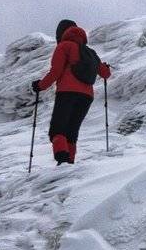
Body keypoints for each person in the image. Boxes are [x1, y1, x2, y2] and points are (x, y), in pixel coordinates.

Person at [31, 19, 112, 165]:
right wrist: (106, 68)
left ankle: (63, 161)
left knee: (57, 130)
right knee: (72, 131)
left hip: (67, 93)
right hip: (86, 97)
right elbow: (105, 74)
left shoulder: (64, 46)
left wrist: (40, 86)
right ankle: (70, 163)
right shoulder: (90, 53)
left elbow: (55, 72)